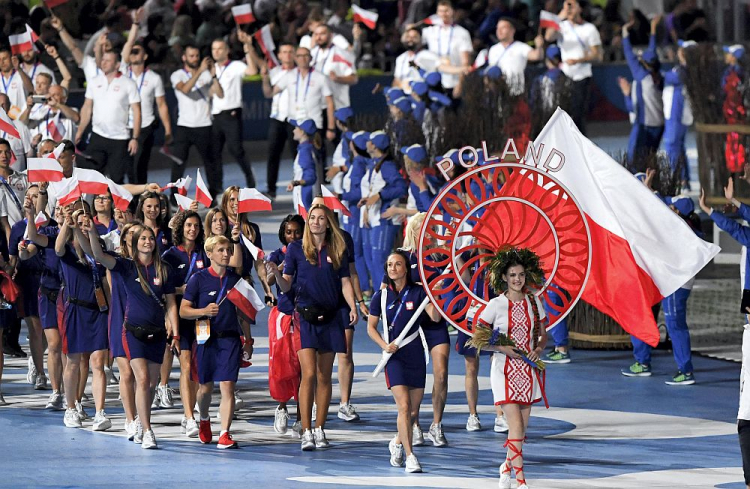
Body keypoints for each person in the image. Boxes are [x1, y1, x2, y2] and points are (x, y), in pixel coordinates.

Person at [265, 204, 358, 451]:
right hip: (304, 317)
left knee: (323, 376)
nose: (316, 222)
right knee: (308, 374)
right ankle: (305, 430)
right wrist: (276, 272)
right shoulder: (296, 249)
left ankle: (319, 428)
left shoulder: (337, 247)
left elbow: (345, 281)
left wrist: (354, 305)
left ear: (328, 223)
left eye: (320, 218)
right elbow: (287, 286)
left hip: (330, 317)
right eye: (312, 218)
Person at [87, 219, 180, 449]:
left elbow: (170, 304)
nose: (147, 242)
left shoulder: (163, 269)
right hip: (133, 333)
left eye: (150, 238)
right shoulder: (126, 266)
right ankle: (147, 429)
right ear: (135, 244)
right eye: (143, 239)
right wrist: (90, 232)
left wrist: (175, 332)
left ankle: (141, 419)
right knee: (142, 379)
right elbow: (99, 256)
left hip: (158, 334)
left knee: (149, 385)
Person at [476, 247, 548, 489]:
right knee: (515, 426)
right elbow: (479, 336)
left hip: (528, 371)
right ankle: (520, 482)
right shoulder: (496, 304)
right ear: (504, 278)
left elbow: (543, 334)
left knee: (521, 430)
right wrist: (501, 349)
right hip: (503, 371)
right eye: (513, 275)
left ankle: (506, 467)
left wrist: (538, 349)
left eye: (521, 275)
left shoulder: (534, 301)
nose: (518, 279)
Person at [369, 250, 441, 473]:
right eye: (390, 265)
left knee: (412, 412)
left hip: (415, 354)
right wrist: (384, 346)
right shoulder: (379, 297)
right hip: (394, 357)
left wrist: (434, 295)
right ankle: (411, 456)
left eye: (397, 264)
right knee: (404, 406)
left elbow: (436, 317)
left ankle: (398, 442)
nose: (393, 268)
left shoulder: (419, 292)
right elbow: (371, 327)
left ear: (406, 268)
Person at [181, 235, 252, 448]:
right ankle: (204, 418)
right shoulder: (198, 279)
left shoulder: (235, 281)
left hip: (230, 339)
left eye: (228, 250)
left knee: (228, 386)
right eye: (221, 250)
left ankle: (225, 433)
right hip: (205, 340)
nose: (226, 253)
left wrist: (248, 340)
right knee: (204, 389)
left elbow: (243, 313)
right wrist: (203, 311)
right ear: (210, 253)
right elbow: (184, 311)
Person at [391, 214, 452, 446]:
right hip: (411, 323)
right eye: (428, 229)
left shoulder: (440, 258)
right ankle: (413, 423)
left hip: (435, 322)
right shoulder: (403, 256)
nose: (431, 233)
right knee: (413, 377)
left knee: (442, 372)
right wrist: (419, 287)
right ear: (416, 231)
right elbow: (392, 283)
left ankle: (436, 425)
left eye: (434, 229)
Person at [54, 203, 111, 431]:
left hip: (98, 311)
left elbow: (105, 277)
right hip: (75, 310)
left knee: (98, 363)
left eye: (85, 220)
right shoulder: (67, 250)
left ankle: (99, 412)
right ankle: (70, 407)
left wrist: (112, 309)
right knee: (74, 362)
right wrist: (68, 226)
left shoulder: (99, 247)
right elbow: (57, 249)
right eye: (78, 222)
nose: (83, 225)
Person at [161, 210, 208, 438]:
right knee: (187, 365)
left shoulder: (205, 253)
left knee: (199, 368)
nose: (192, 229)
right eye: (189, 225)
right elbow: (164, 291)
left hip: (202, 318)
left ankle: (192, 409)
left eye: (196, 226)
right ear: (181, 228)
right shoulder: (169, 256)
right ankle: (190, 417)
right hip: (180, 317)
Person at [75, 51, 141, 184]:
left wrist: (135, 137)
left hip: (119, 139)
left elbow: (137, 111)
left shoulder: (128, 83)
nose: (103, 62)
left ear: (117, 65)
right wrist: (80, 131)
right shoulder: (94, 81)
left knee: (117, 179)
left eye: (108, 60)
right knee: (92, 175)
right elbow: (87, 107)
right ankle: (93, 204)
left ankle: (118, 204)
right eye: (103, 59)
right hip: (98, 136)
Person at [267, 215, 305, 436]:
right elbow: (270, 281)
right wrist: (281, 266)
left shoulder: (306, 253)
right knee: (282, 369)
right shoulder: (277, 255)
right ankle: (282, 407)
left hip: (302, 317)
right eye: (289, 232)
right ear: (283, 233)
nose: (293, 236)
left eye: (297, 232)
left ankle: (302, 418)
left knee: (302, 370)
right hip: (282, 317)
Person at [169, 44, 223, 193]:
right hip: (184, 126)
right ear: (184, 57)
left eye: (197, 56)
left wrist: (213, 75)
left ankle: (213, 193)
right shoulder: (177, 75)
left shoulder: (206, 75)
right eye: (191, 56)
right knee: (178, 163)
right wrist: (200, 71)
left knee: (210, 163)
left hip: (204, 125)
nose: (195, 59)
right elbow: (185, 89)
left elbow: (219, 94)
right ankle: (174, 197)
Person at [120, 37, 173, 185]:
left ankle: (140, 201)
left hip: (145, 126)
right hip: (123, 127)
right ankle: (131, 201)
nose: (134, 54)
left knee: (139, 166)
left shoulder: (154, 78)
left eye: (137, 51)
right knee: (127, 167)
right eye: (132, 52)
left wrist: (168, 129)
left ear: (145, 56)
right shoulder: (122, 74)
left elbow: (161, 105)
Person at [544, 0, 602, 135]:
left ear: (580, 9)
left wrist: (578, 60)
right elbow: (548, 36)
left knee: (578, 114)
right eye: (566, 5)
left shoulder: (589, 29)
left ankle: (580, 144)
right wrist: (559, 17)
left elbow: (597, 55)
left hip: (582, 75)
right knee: (563, 112)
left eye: (572, 6)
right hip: (564, 75)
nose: (569, 9)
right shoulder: (562, 26)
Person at [359, 131, 408, 289]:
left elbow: (401, 188)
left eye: (370, 141)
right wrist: (368, 205)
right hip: (376, 218)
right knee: (374, 260)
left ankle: (387, 298)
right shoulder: (376, 163)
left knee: (380, 260)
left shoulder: (387, 166)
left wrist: (380, 196)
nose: (367, 143)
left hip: (385, 219)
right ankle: (378, 299)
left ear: (374, 145)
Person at [208, 37, 257, 193]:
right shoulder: (211, 68)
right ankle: (216, 187)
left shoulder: (235, 66)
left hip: (232, 113)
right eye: (214, 49)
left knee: (235, 149)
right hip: (215, 115)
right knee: (215, 152)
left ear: (227, 50)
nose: (216, 52)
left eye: (220, 48)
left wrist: (247, 48)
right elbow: (210, 92)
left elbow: (252, 71)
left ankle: (250, 177)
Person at [10, 186, 47, 390]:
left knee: (49, 332)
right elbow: (13, 259)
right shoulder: (17, 228)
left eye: (36, 195)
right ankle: (40, 372)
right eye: (27, 196)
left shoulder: (49, 226)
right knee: (35, 328)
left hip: (50, 280)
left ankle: (37, 356)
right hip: (28, 281)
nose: (31, 199)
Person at [619, 15, 664, 170]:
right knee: (651, 160)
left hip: (644, 125)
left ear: (644, 64)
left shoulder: (641, 75)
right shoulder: (659, 76)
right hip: (659, 124)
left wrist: (624, 32)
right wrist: (653, 29)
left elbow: (628, 53)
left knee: (635, 161)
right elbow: (652, 51)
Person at [259, 42, 296, 199]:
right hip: (278, 117)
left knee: (298, 155)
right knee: (273, 153)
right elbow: (268, 94)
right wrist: (265, 79)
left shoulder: (299, 72)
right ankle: (271, 189)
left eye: (290, 51)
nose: (287, 54)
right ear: (279, 55)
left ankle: (299, 186)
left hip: (295, 118)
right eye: (284, 52)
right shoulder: (274, 72)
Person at [419, 0, 472, 93]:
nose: (444, 14)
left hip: (454, 82)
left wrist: (460, 83)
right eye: (441, 11)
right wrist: (414, 26)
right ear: (437, 13)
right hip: (433, 80)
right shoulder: (429, 31)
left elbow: (465, 62)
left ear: (453, 12)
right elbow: (412, 40)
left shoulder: (462, 33)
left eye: (446, 11)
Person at [663, 40, 695, 189]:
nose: (679, 50)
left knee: (672, 146)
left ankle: (677, 180)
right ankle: (684, 180)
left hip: (677, 113)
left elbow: (669, 77)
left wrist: (659, 73)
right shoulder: (684, 69)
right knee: (678, 147)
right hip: (676, 113)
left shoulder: (685, 71)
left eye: (682, 49)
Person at [487, 18, 544, 94]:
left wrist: (539, 46)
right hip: (498, 93)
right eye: (497, 28)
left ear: (512, 30)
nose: (499, 31)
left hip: (516, 93)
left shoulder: (521, 47)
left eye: (503, 28)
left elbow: (537, 56)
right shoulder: (493, 49)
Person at [722, 44, 746, 174]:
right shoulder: (730, 71)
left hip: (735, 116)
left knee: (737, 145)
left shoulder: (737, 74)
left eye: (729, 54)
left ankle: (737, 169)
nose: (726, 56)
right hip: (730, 115)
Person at [287, 119, 319, 209]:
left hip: (305, 196)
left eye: (296, 128)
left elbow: (310, 177)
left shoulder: (305, 151)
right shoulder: (306, 148)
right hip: (305, 195)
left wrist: (295, 183)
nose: (293, 130)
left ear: (302, 132)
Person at [0, 46, 34, 116]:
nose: (2, 62)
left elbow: (31, 89)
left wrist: (19, 69)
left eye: (4, 59)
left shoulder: (20, 74)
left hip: (20, 117)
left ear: (12, 58)